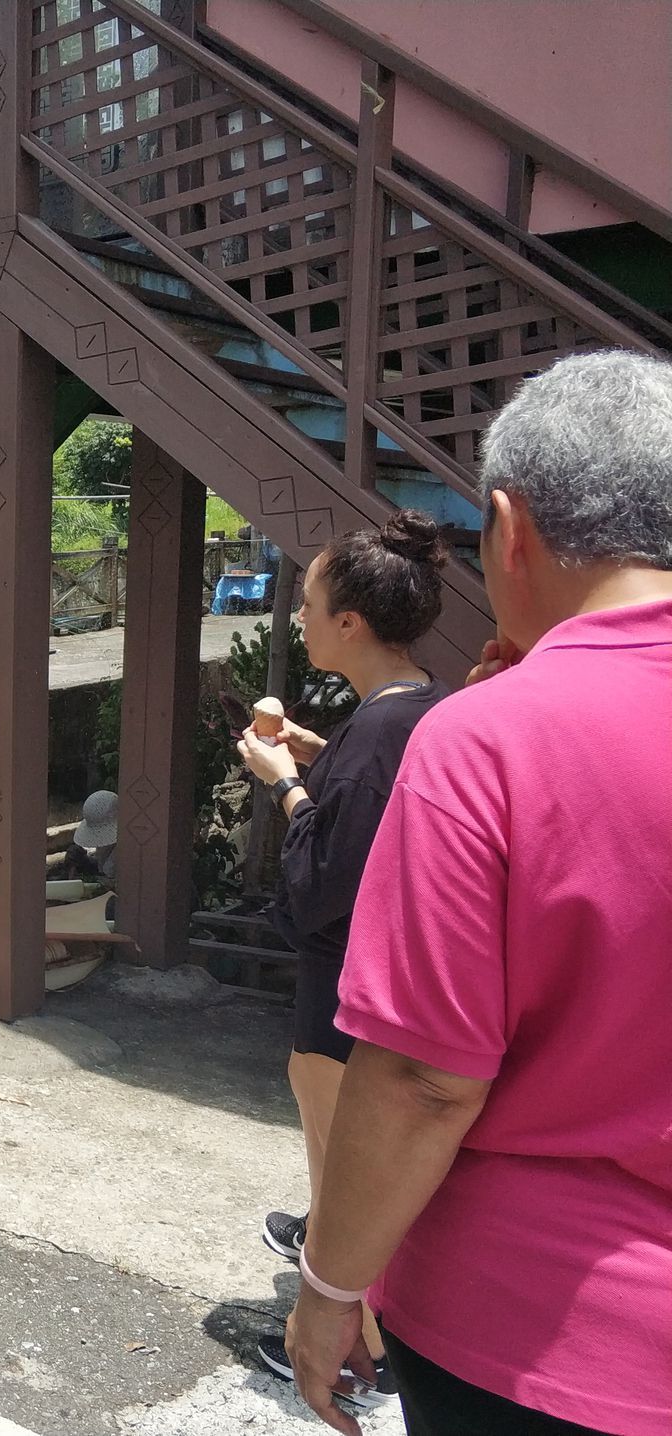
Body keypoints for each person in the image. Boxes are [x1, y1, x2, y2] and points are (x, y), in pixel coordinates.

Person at [283, 351, 672, 1436]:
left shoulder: (485, 740)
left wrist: (328, 1288)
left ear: (510, 527)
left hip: (537, 1328)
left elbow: (420, 1077)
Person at [236, 510, 451, 1407]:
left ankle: (355, 1344)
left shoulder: (370, 739)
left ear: (351, 624)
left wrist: (284, 785)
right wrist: (320, 765)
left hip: (340, 997)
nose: (302, 620)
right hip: (396, 989)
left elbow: (326, 878)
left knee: (341, 1172)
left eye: (313, 605)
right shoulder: (421, 710)